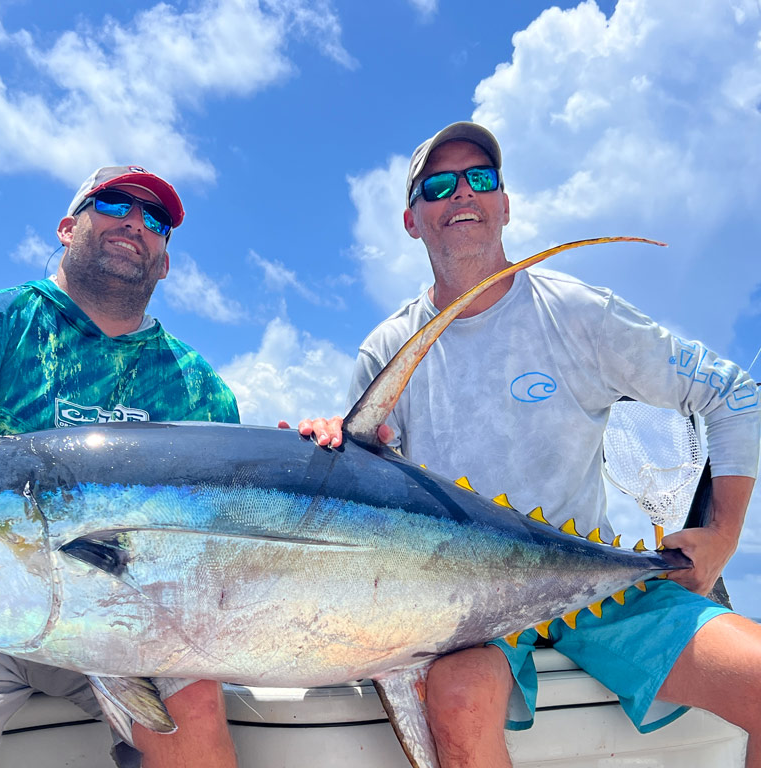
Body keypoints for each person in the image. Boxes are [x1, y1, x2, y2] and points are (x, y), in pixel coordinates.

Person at [300, 122, 761, 767]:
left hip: (597, 587)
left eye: (480, 179)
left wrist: (723, 536)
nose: (461, 193)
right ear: (412, 220)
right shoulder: (386, 351)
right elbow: (369, 488)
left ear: (505, 204)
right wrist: (332, 451)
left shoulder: (580, 313)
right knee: (457, 700)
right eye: (438, 186)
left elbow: (736, 393)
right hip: (465, 601)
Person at [0, 166, 241, 768]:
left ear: (165, 261)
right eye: (115, 204)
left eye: (156, 220)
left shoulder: (199, 389)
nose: (135, 224)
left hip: (132, 630)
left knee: (196, 721)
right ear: (68, 227)